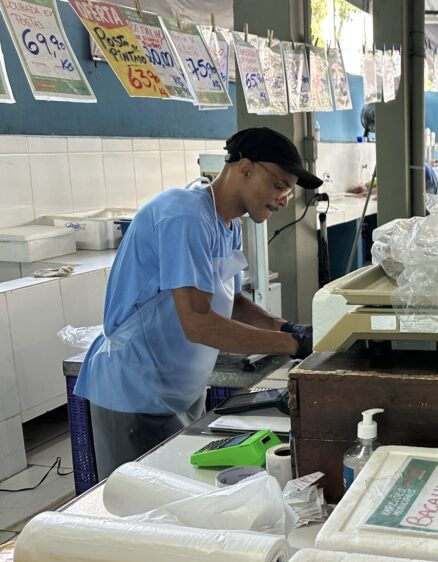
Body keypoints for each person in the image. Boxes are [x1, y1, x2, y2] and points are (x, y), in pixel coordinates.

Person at [74, 127, 323, 479]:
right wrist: (291, 344)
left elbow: (230, 301)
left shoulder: (228, 225)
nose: (284, 199)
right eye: (280, 185)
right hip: (136, 389)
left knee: (178, 500)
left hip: (180, 390)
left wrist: (287, 327)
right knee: (139, 512)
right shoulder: (184, 215)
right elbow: (197, 321)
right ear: (246, 168)